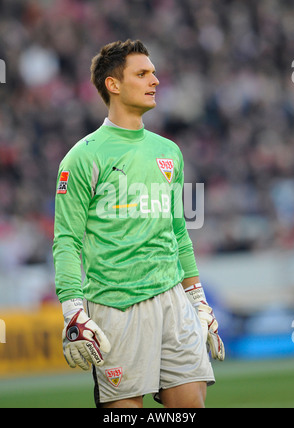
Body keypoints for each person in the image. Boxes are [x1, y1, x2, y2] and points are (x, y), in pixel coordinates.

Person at [53, 39, 225, 409]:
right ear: (113, 85)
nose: (156, 80)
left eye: (154, 72)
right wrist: (73, 311)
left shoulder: (169, 152)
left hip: (173, 299)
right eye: (143, 73)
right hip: (116, 306)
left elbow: (178, 230)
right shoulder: (82, 157)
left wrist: (198, 300)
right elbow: (66, 240)